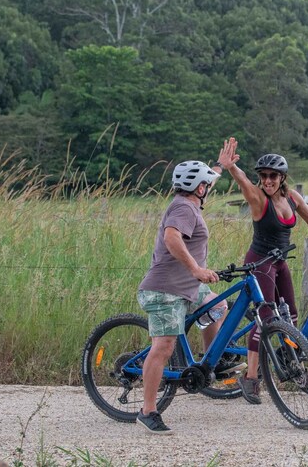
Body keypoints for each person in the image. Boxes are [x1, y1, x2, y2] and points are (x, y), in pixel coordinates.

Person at [218, 137, 308, 404]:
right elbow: (243, 180)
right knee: (265, 318)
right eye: (263, 176)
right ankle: (251, 379)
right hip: (260, 261)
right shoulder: (257, 198)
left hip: (279, 261)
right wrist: (230, 168)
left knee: (291, 315)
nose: (267, 180)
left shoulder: (291, 197)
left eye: (272, 176)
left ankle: (293, 366)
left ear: (282, 177)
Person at [135, 153, 232, 435]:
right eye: (206, 184)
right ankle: (148, 411)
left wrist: (220, 166)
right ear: (198, 188)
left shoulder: (189, 200)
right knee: (163, 348)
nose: (208, 188)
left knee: (217, 305)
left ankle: (208, 360)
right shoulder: (184, 209)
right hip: (165, 289)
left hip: (186, 288)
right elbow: (171, 237)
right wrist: (196, 269)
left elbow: (206, 184)